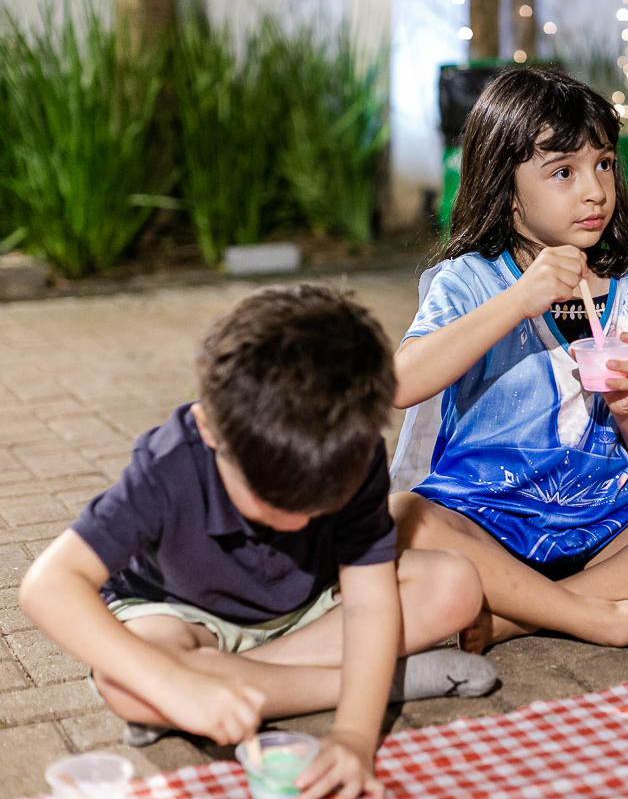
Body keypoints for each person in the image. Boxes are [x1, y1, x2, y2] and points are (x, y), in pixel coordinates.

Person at [20, 285, 496, 799]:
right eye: (269, 499)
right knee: (128, 682)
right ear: (210, 430)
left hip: (308, 614)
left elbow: (369, 603)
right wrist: (171, 682)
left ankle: (231, 689)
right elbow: (47, 585)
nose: (292, 522)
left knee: (455, 585)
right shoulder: (168, 464)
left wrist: (355, 737)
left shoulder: (353, 452)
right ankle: (384, 681)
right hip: (180, 618)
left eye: (316, 503)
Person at [389, 67, 628, 652]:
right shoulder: (470, 281)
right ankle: (605, 613)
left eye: (604, 164)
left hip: (602, 531)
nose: (594, 189)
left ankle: (520, 617)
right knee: (400, 517)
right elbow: (399, 384)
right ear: (504, 185)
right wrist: (518, 300)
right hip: (483, 527)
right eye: (563, 172)